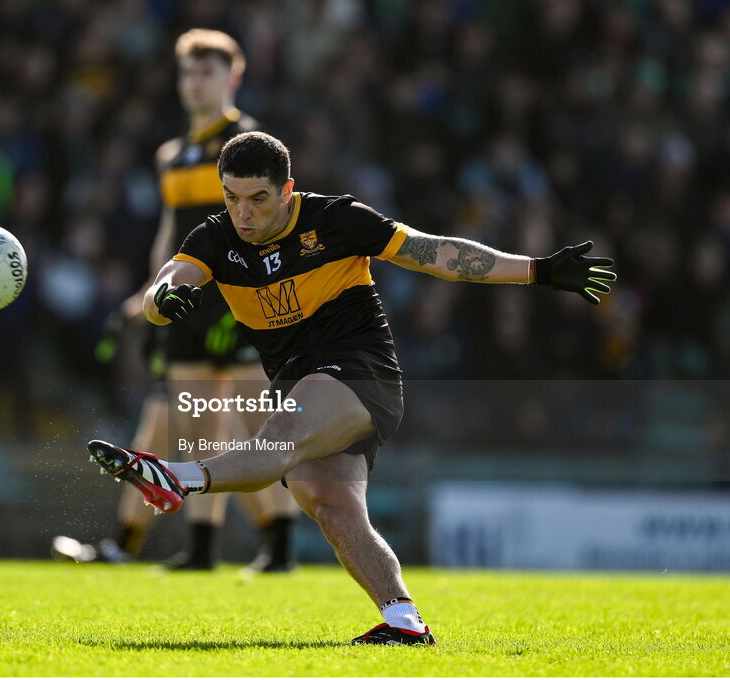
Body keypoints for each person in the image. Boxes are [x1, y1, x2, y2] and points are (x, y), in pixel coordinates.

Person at [86, 131, 615, 645]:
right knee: (335, 510)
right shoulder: (213, 238)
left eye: (257, 198)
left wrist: (539, 271)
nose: (242, 213)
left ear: (287, 190)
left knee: (282, 434)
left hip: (362, 373)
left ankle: (177, 477)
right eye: (231, 197)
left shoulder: (337, 221)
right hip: (299, 382)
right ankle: (404, 620)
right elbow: (167, 283)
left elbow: (437, 254)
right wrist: (164, 300)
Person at [54, 30, 297, 572]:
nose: (195, 83)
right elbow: (171, 234)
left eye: (207, 72)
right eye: (188, 73)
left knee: (254, 430)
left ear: (232, 78)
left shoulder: (245, 142)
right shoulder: (172, 155)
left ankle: (277, 547)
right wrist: (150, 293)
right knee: (200, 428)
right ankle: (212, 551)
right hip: (188, 305)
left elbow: (268, 224)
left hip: (238, 305)